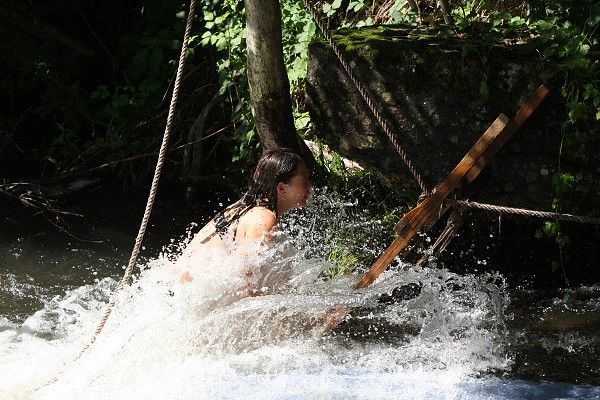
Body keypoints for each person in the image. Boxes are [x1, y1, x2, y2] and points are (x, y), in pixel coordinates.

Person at [179, 148, 312, 290]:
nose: (310, 186)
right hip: (182, 296)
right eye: (305, 181)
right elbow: (247, 284)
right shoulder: (262, 219)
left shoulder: (245, 210)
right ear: (282, 188)